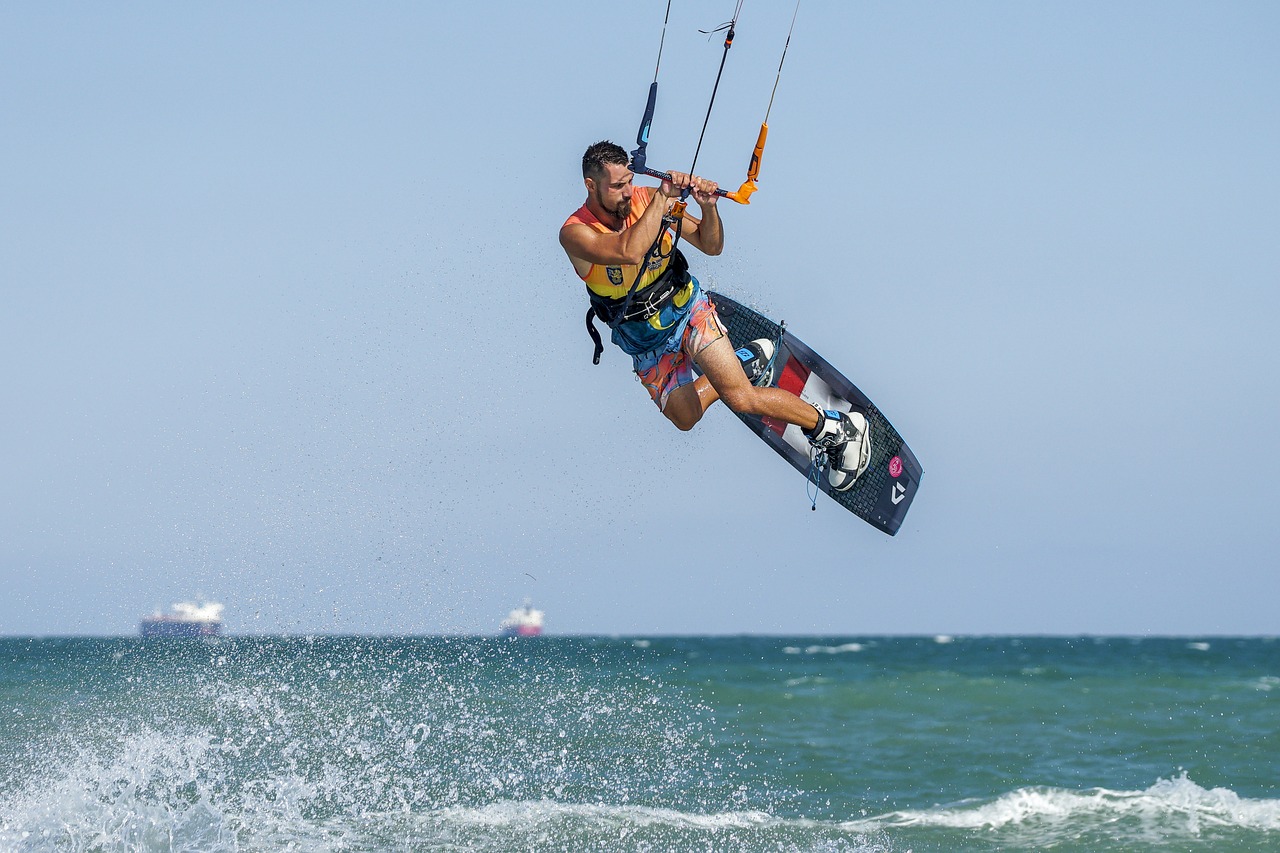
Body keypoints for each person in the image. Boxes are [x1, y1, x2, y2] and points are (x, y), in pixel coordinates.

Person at [559, 140, 870, 491]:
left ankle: (836, 429)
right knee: (685, 417)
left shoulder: (647, 200)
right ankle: (745, 359)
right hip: (645, 343)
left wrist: (708, 209)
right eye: (617, 186)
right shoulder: (575, 233)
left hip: (687, 311)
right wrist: (663, 199)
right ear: (591, 185)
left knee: (742, 398)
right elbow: (628, 252)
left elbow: (711, 246)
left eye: (630, 180)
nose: (628, 191)